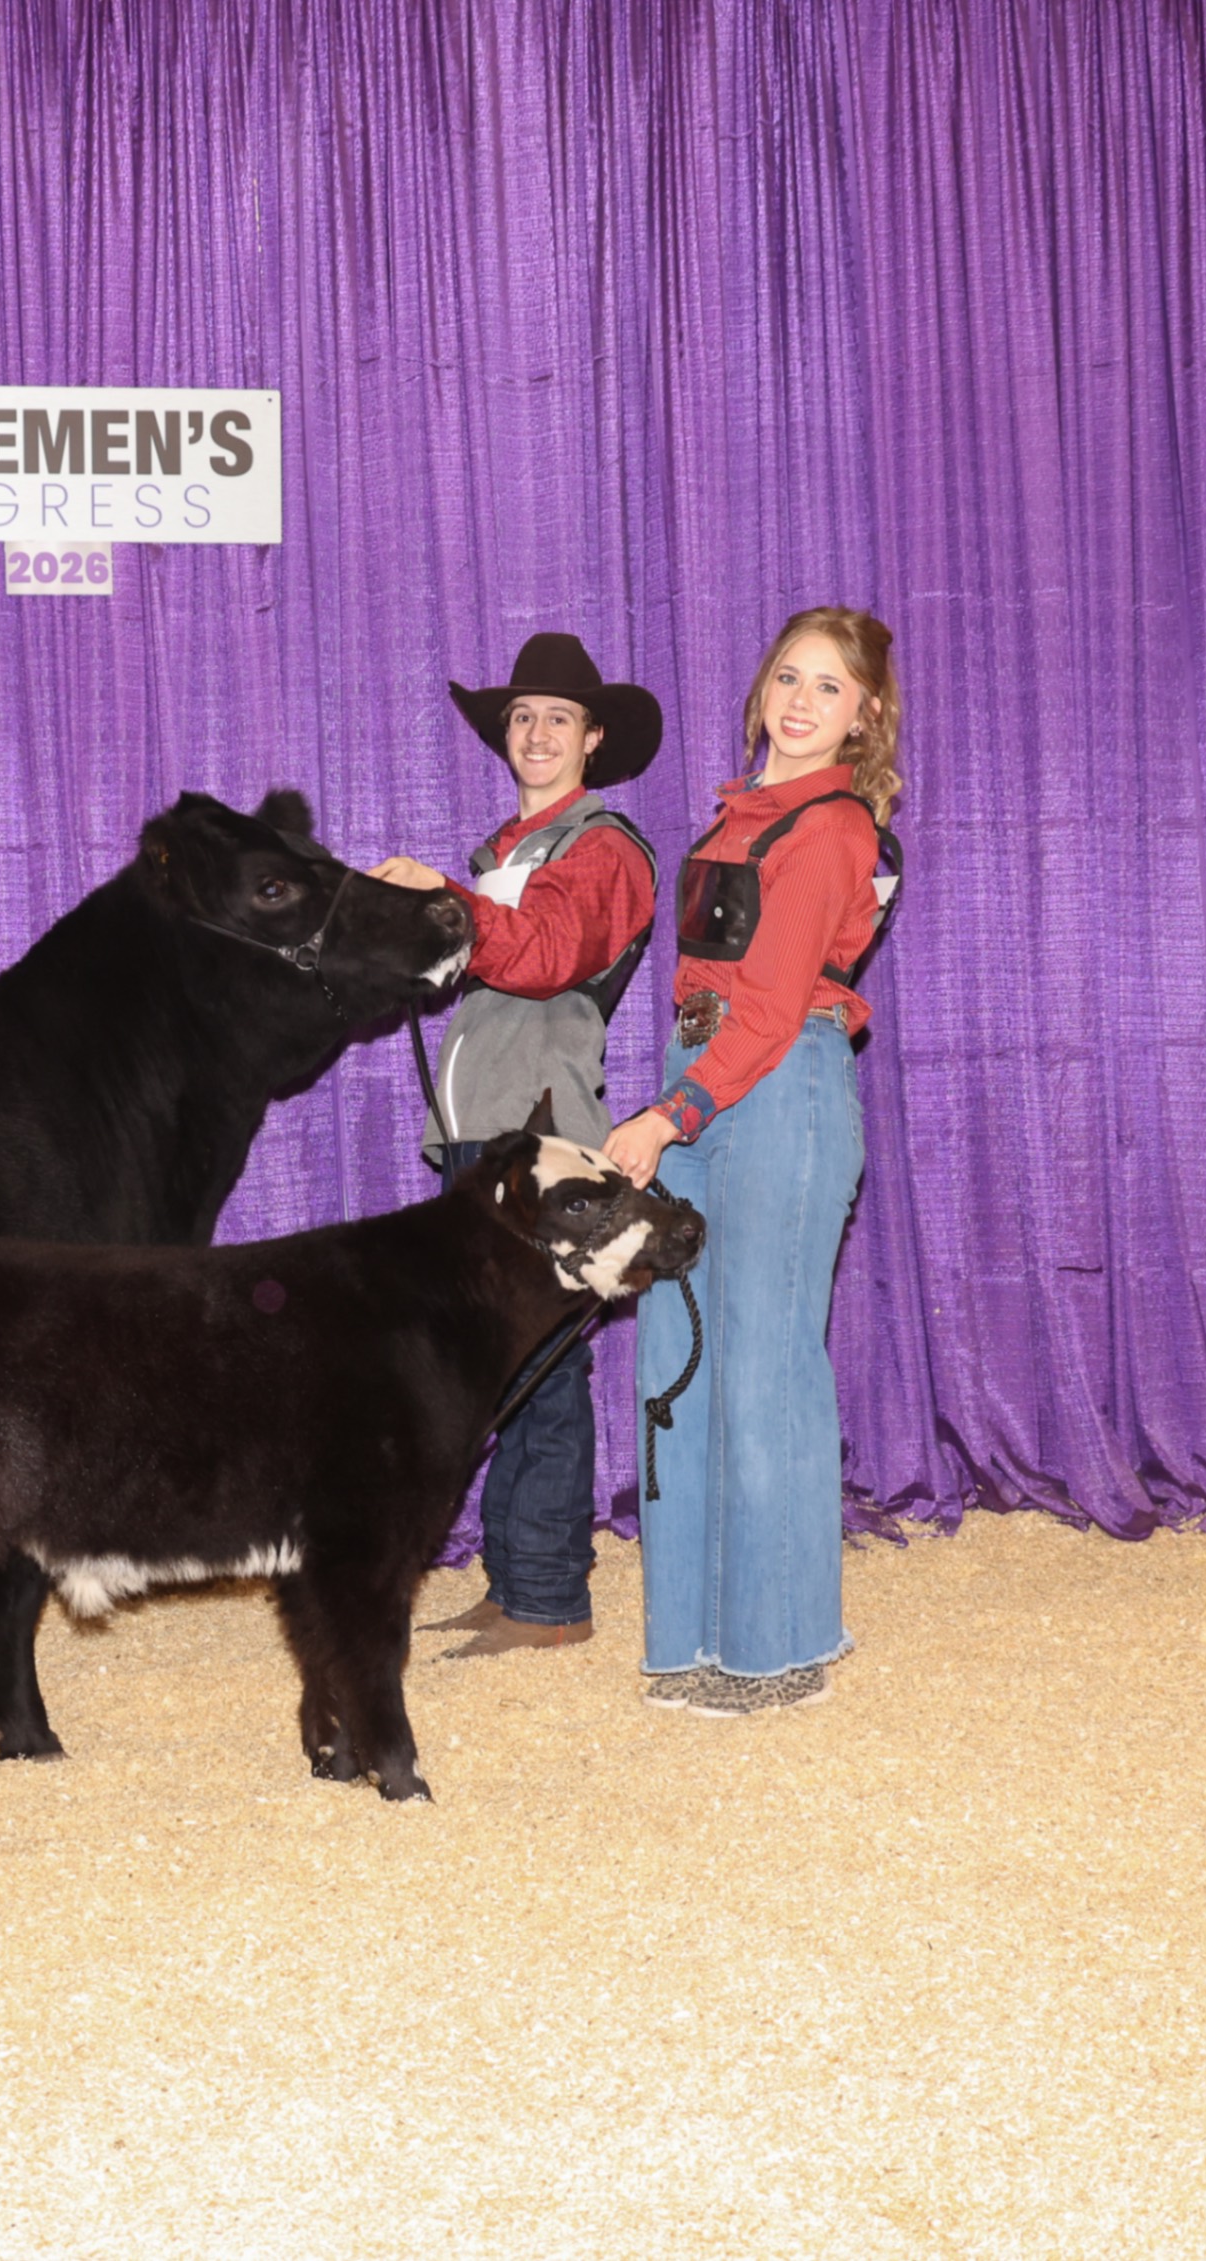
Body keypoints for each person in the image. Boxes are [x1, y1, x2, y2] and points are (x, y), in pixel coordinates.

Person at [601, 607, 904, 1718]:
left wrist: (667, 1113)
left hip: (777, 1098)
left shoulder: (831, 828)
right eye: (789, 676)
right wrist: (680, 1102)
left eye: (831, 687)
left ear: (866, 713)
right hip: (706, 1087)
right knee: (677, 1363)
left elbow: (772, 1009)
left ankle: (778, 1648)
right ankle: (690, 1636)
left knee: (765, 1369)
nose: (802, 700)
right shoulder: (739, 820)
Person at [370, 633, 663, 1658]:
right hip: (482, 1138)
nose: (536, 732)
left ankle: (548, 1597)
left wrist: (445, 902)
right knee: (495, 1366)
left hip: (540, 1144)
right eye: (521, 718)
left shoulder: (605, 846)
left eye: (557, 717)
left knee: (536, 1363)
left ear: (593, 736)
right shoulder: (511, 850)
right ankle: (514, 1581)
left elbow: (544, 957)